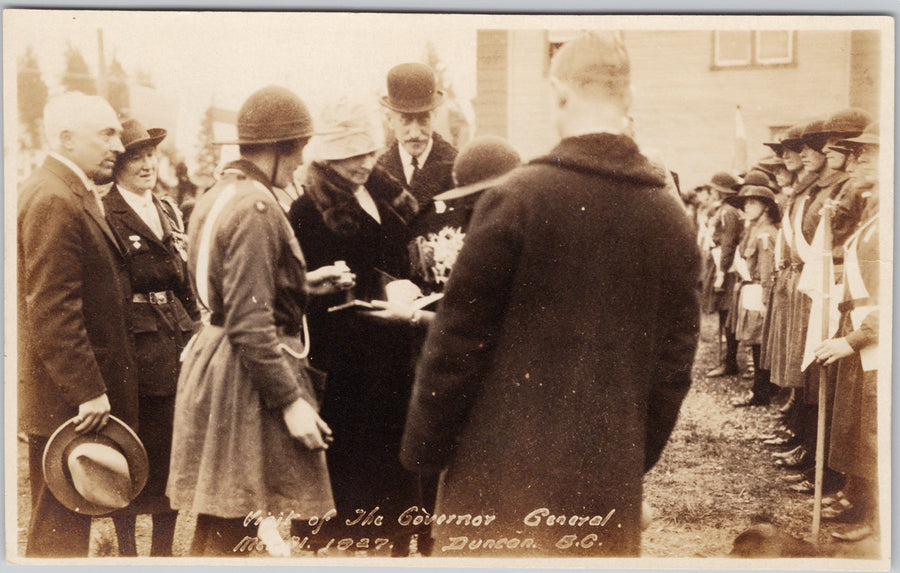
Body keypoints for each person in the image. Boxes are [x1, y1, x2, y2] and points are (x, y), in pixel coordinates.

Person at [400, 32, 699, 557]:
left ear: (559, 95)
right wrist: (631, 457)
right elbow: (674, 365)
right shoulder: (670, 217)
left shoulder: (515, 199)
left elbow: (456, 344)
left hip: (494, 484)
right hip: (603, 489)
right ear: (627, 97)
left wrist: (426, 451)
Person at [166, 86, 344, 556]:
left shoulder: (220, 194)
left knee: (221, 516)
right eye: (298, 148)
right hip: (244, 372)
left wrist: (302, 285)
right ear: (277, 148)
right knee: (237, 522)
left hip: (214, 355)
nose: (301, 160)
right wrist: (291, 402)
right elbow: (249, 319)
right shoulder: (257, 208)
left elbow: (228, 290)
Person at [288, 97, 423, 555]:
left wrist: (409, 284)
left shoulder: (385, 194)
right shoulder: (307, 210)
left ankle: (393, 543)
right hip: (346, 360)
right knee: (354, 468)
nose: (365, 163)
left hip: (395, 348)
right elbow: (299, 286)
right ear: (328, 156)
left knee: (392, 460)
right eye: (352, 155)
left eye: (369, 152)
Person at [17, 92, 138, 557]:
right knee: (57, 536)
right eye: (106, 134)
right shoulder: (54, 197)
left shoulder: (67, 190)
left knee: (63, 530)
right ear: (67, 139)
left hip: (68, 400)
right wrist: (87, 390)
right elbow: (53, 309)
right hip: (68, 404)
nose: (118, 146)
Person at [102, 119, 199, 556]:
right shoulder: (106, 212)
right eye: (135, 158)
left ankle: (162, 553)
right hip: (134, 347)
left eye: (151, 156)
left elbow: (184, 280)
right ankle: (126, 553)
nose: (146, 165)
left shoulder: (168, 208)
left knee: (171, 456)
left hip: (175, 340)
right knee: (129, 452)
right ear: (118, 164)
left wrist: (194, 327)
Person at [816, 122, 880, 542]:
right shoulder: (876, 214)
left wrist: (853, 339)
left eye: (867, 157)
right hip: (864, 330)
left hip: (876, 336)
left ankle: (878, 521)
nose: (855, 164)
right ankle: (859, 501)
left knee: (876, 426)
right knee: (861, 422)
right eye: (854, 156)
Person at [375, 62, 458, 218]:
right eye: (405, 121)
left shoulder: (456, 168)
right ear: (390, 120)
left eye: (423, 119)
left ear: (434, 116)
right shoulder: (376, 173)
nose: (414, 133)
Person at [724, 180, 780, 407]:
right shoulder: (754, 230)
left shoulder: (765, 234)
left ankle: (761, 393)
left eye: (753, 203)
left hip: (759, 290)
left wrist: (766, 299)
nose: (746, 207)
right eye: (745, 203)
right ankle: (761, 389)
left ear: (766, 207)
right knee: (755, 342)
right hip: (750, 289)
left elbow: (766, 270)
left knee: (759, 343)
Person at [700, 171, 742, 377]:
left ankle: (729, 361)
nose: (712, 192)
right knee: (723, 314)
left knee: (727, 314)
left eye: (714, 189)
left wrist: (722, 273)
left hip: (726, 267)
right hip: (718, 263)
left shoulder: (728, 212)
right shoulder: (723, 210)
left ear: (721, 191)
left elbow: (728, 243)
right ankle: (726, 359)